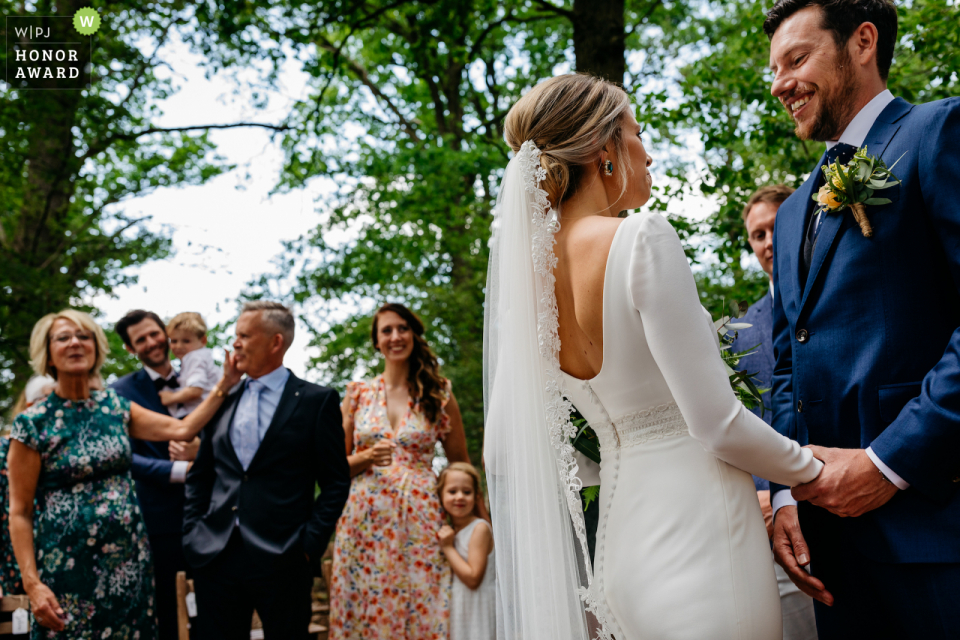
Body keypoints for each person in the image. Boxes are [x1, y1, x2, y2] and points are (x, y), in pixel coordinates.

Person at [483, 73, 823, 640]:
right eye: (636, 132)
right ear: (603, 150)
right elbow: (717, 424)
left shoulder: (529, 290)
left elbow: (499, 450)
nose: (647, 149)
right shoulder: (641, 237)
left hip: (621, 549)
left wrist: (603, 453)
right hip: (704, 530)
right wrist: (813, 468)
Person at [765, 1, 960, 637]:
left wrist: (887, 464)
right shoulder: (794, 211)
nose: (779, 84)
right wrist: (788, 491)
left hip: (933, 526)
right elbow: (790, 355)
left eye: (796, 59)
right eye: (774, 69)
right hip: (831, 556)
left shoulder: (937, 132)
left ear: (863, 42)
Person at [7, 309, 241, 638]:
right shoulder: (33, 423)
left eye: (84, 336)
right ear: (47, 353)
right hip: (67, 573)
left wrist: (225, 384)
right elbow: (19, 511)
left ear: (96, 347)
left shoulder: (115, 407)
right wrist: (32, 585)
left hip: (129, 567)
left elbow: (184, 426)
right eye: (63, 338)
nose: (75, 342)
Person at [183, 300, 351, 640]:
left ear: (276, 342)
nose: (236, 344)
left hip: (285, 556)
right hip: (215, 554)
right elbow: (200, 475)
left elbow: (335, 481)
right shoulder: (222, 400)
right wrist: (193, 531)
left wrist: (309, 544)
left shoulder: (317, 401)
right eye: (235, 335)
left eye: (245, 335)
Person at [329, 303, 472, 640]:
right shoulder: (357, 395)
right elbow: (331, 468)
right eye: (387, 331)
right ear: (376, 342)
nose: (396, 336)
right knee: (365, 607)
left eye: (402, 328)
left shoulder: (439, 393)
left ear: (413, 334)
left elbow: (460, 463)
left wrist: (479, 523)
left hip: (421, 522)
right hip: (364, 523)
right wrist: (366, 457)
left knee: (424, 602)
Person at [731, 185, 819, 640]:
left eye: (775, 227)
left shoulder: (834, 295)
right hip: (773, 514)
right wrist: (764, 493)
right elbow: (741, 421)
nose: (768, 242)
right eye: (757, 235)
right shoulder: (740, 335)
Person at [112, 309, 200, 640]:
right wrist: (180, 470)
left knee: (214, 609)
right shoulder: (119, 393)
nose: (151, 343)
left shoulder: (200, 381)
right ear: (130, 349)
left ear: (165, 332)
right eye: (140, 340)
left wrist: (201, 456)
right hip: (159, 523)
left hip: (211, 515)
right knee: (167, 611)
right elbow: (124, 458)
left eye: (154, 333)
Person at [1, 377, 55, 597]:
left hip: (60, 568)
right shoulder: (5, 449)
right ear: (31, 406)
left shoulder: (68, 450)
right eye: (49, 400)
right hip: (12, 573)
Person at [437, 462, 495, 640]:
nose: (459, 497)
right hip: (457, 608)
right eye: (452, 491)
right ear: (440, 495)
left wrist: (447, 547)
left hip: (477, 609)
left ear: (477, 496)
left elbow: (473, 578)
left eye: (467, 492)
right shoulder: (449, 530)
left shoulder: (479, 529)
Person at [160, 312, 221, 418]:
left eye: (186, 341)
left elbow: (195, 390)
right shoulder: (200, 357)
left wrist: (171, 397)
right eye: (174, 341)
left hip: (201, 415)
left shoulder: (194, 357)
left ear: (202, 340)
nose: (179, 346)